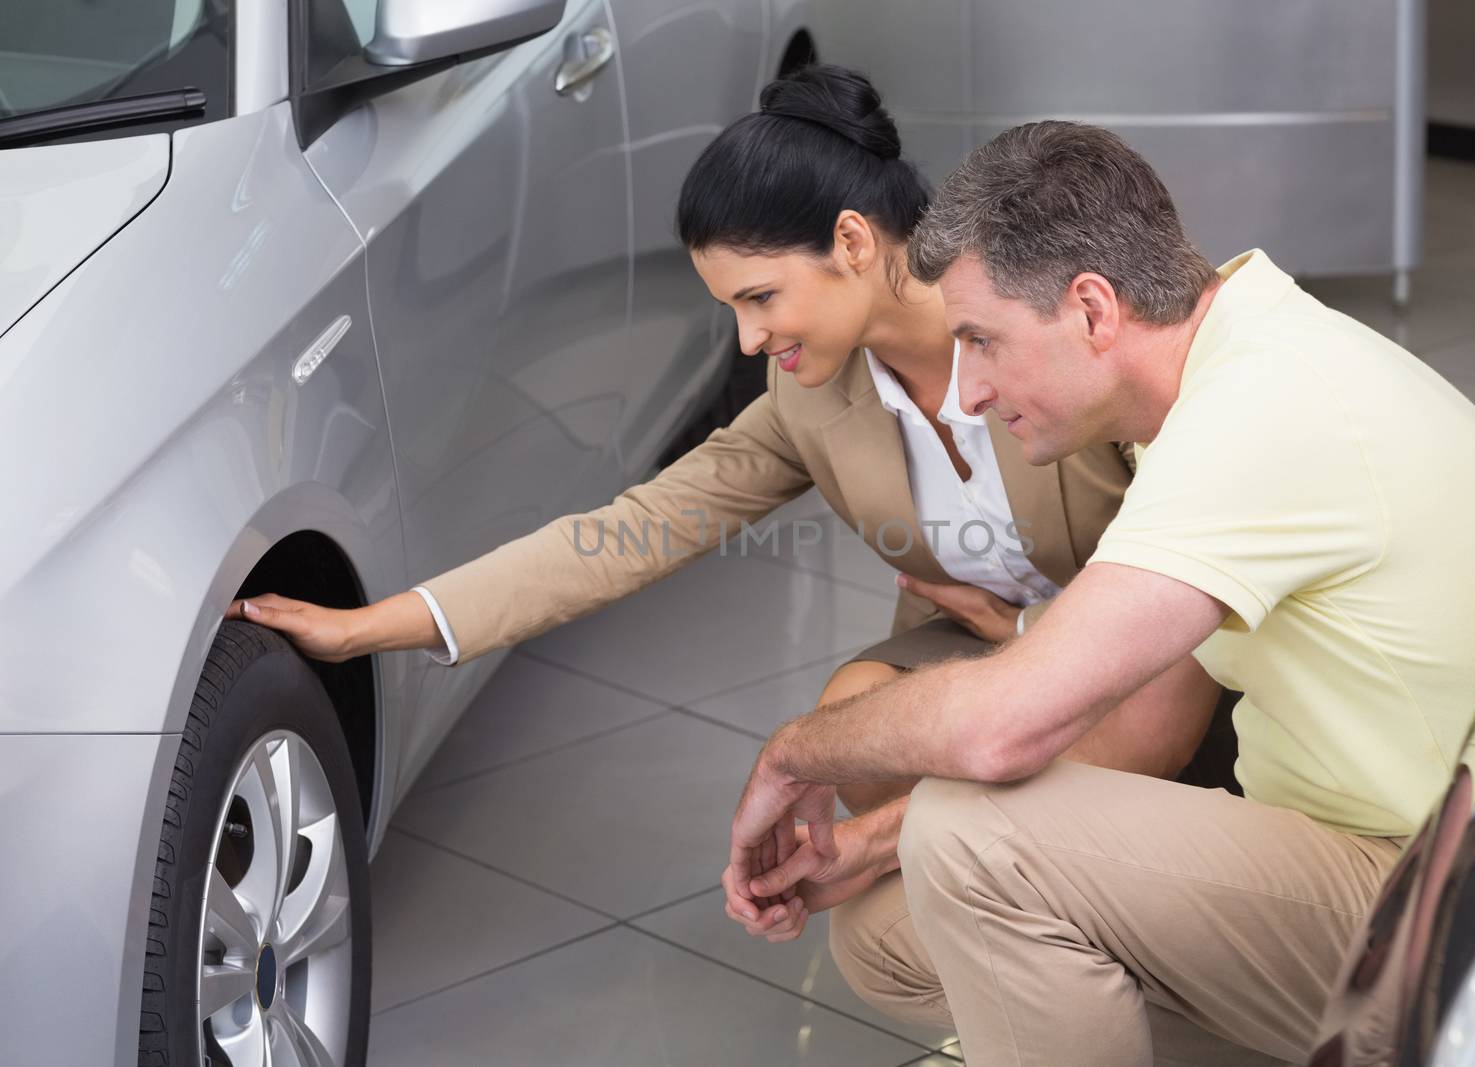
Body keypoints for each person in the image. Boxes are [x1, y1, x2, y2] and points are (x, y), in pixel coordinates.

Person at [226, 70, 1221, 920]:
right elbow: (631, 531)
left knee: (1061, 735)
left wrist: (1024, 642)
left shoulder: (1042, 322)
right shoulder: (808, 392)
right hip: (977, 654)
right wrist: (376, 627)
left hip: (1143, 646)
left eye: (760, 298)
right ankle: (993, 916)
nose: (749, 342)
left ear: (852, 242)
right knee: (854, 711)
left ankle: (1061, 894)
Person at [722, 120, 1475, 1066]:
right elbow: (1133, 717)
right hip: (1427, 852)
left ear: (1091, 308)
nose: (969, 392)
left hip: (1447, 912)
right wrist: (868, 842)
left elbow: (1005, 722)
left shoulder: (1256, 415)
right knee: (886, 934)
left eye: (981, 341)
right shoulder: (1243, 358)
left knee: (972, 837)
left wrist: (794, 756)